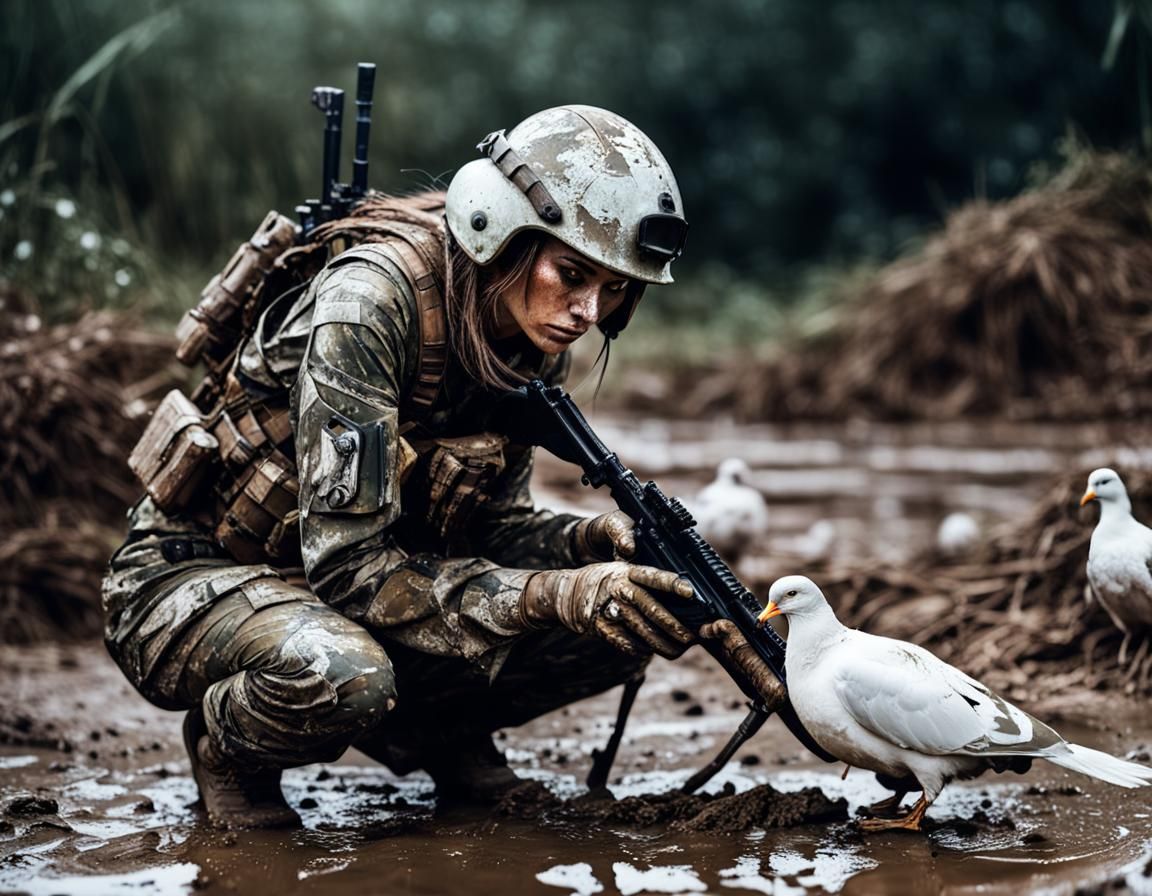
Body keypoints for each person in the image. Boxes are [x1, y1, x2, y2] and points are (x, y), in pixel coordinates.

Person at [102, 105, 784, 830]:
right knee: (342, 675)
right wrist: (555, 593)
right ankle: (227, 749)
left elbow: (495, 528)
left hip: (334, 586)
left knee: (628, 617)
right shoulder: (371, 306)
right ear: (502, 233)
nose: (588, 310)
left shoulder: (527, 331)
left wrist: (586, 549)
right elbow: (350, 569)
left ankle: (437, 731)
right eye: (573, 273)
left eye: (614, 288)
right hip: (194, 575)